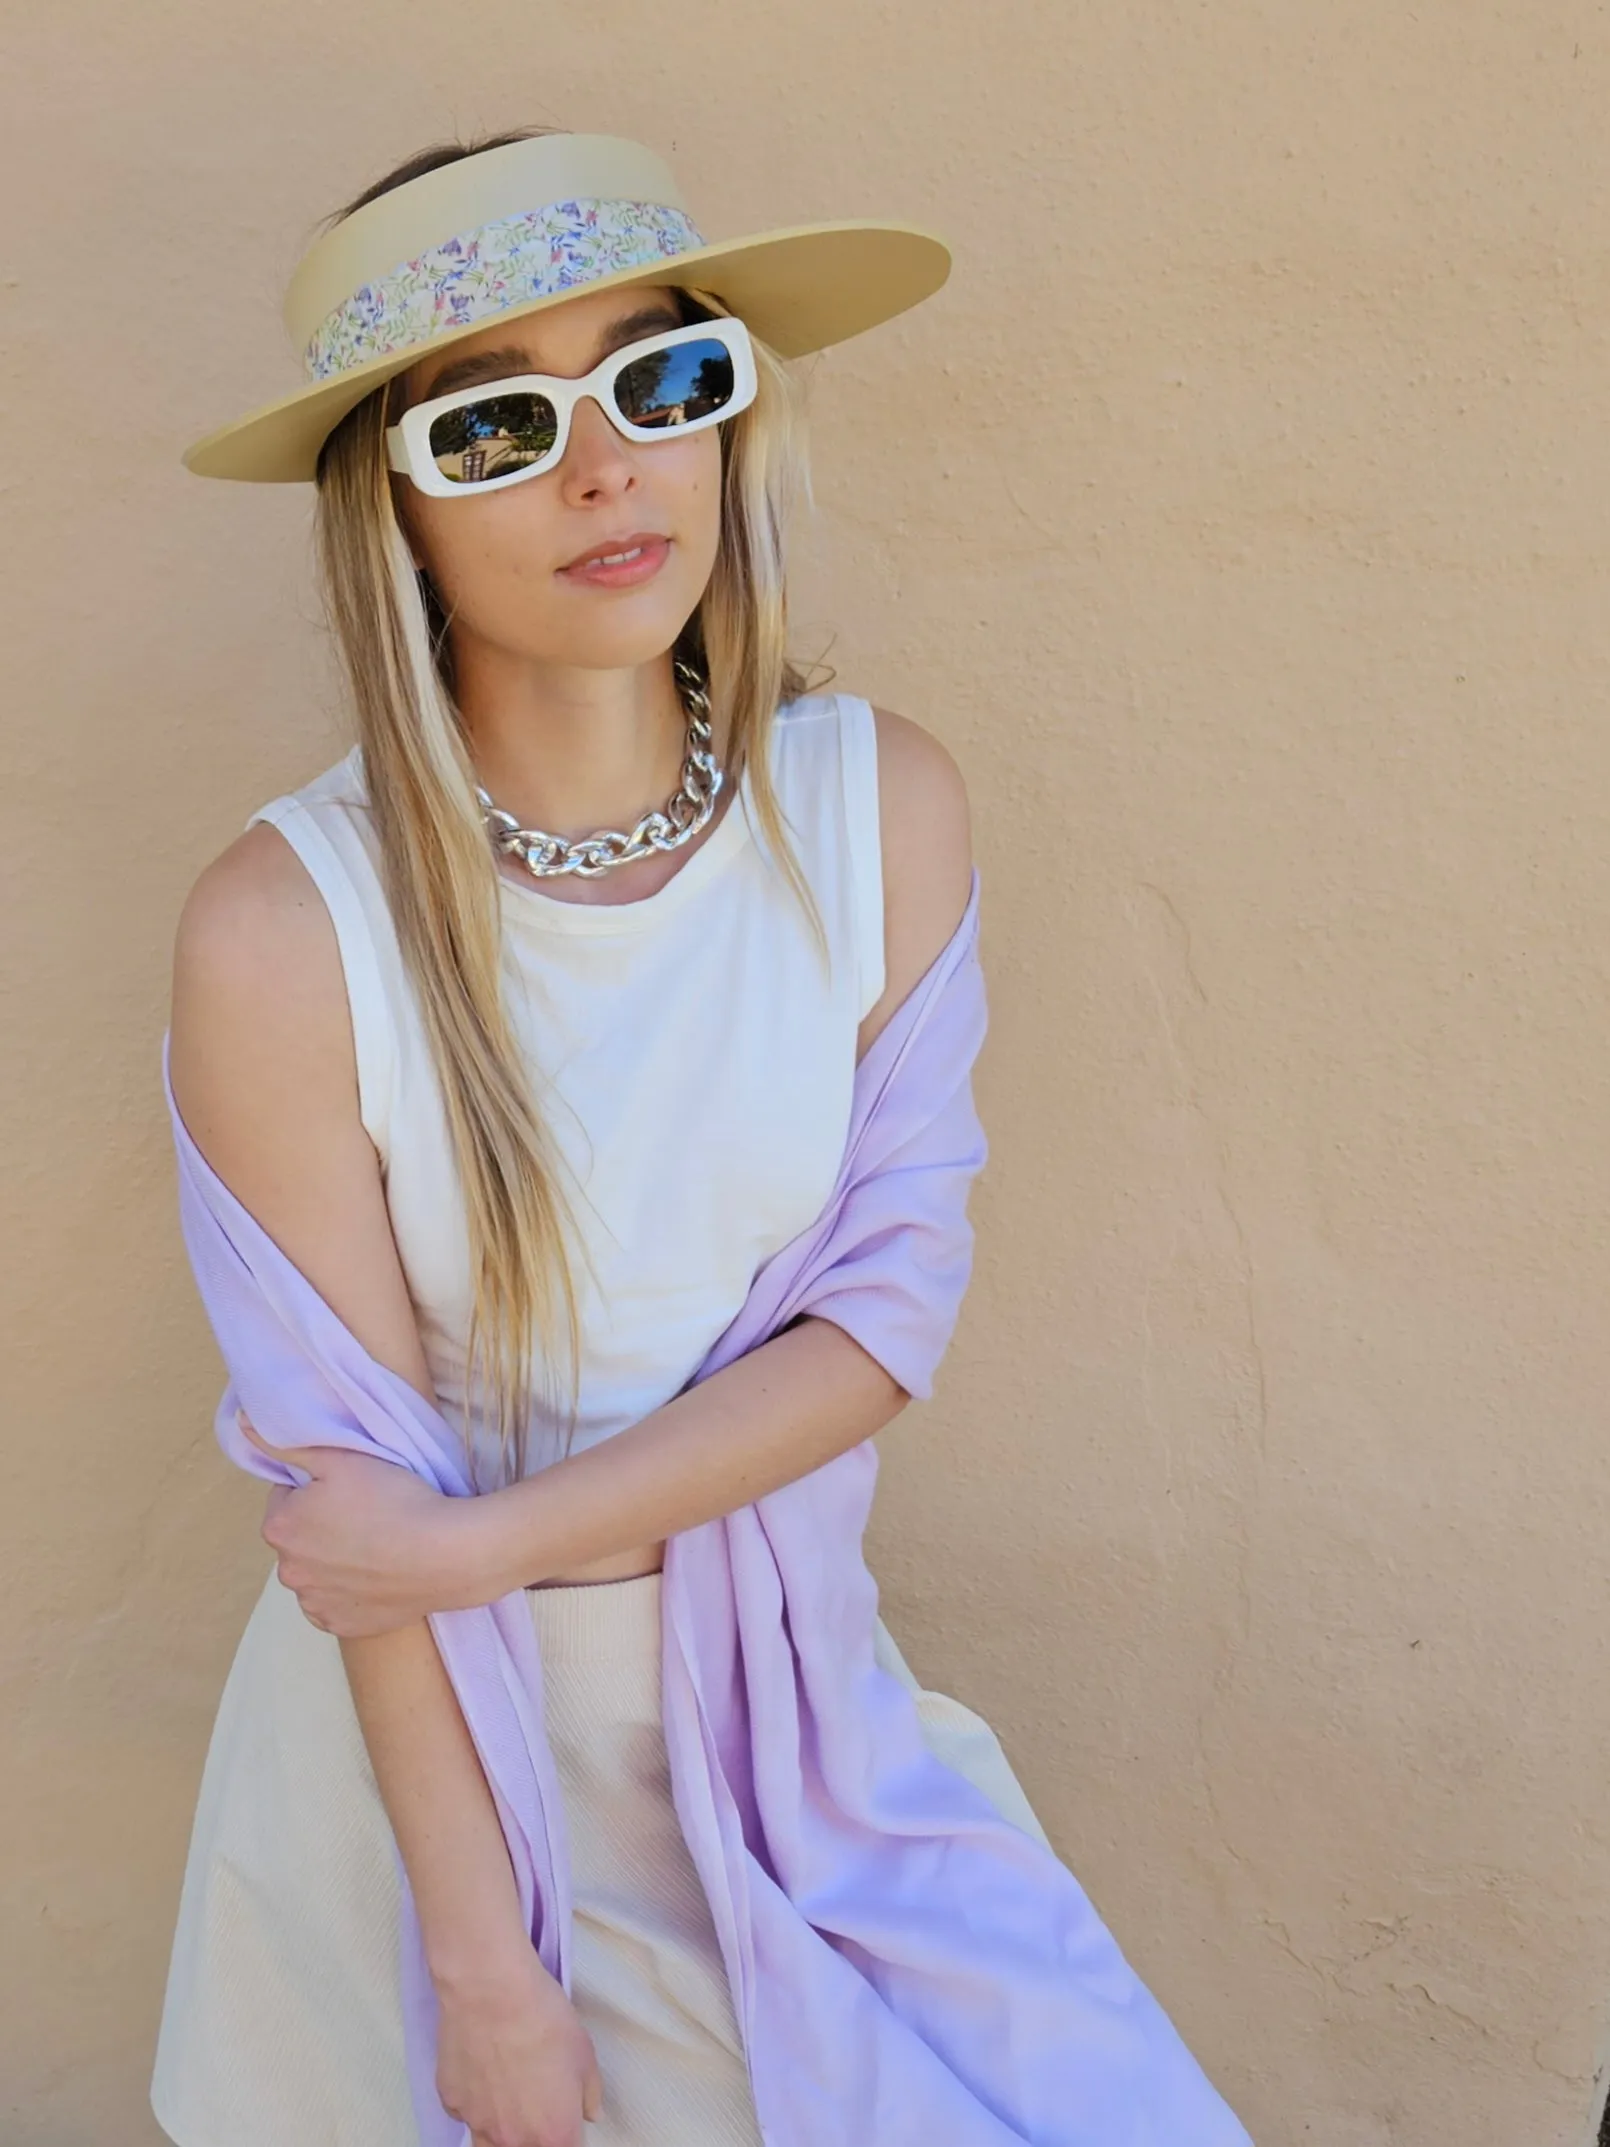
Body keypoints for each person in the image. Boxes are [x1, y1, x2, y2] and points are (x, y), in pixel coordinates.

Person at [152, 126, 1250, 2147]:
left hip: (804, 1722)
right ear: (388, 508)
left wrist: (474, 1535)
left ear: (733, 422)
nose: (605, 466)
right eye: (495, 425)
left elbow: (878, 1317)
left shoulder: (875, 811)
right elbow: (352, 1516)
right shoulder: (288, 929)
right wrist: (487, 1981)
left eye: (664, 382)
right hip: (456, 1793)